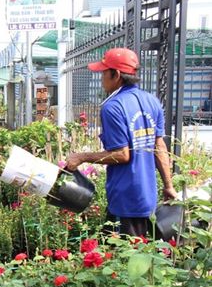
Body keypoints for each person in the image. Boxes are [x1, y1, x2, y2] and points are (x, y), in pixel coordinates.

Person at [65, 47, 177, 237]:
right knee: (142, 251)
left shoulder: (113, 107)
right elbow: (160, 146)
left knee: (122, 257)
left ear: (116, 74)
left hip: (125, 200)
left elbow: (122, 154)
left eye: (103, 72)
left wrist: (82, 157)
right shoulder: (152, 101)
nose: (101, 78)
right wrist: (168, 185)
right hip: (147, 196)